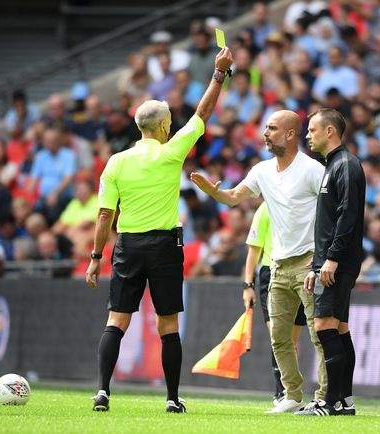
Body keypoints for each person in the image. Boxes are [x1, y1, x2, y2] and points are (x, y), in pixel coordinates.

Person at [85, 47, 234, 413]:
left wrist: (94, 259)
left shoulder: (116, 162)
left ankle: (103, 391)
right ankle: (171, 398)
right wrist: (218, 74)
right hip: (165, 246)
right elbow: (203, 113)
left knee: (116, 319)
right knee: (168, 324)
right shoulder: (171, 153)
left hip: (128, 246)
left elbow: (105, 216)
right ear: (165, 127)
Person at [190, 109, 326, 414]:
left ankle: (324, 396)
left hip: (308, 262)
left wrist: (325, 257)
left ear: (291, 134)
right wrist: (214, 192)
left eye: (273, 128)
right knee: (279, 337)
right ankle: (292, 395)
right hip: (278, 265)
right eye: (265, 127)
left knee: (318, 334)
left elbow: (333, 208)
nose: (265, 133)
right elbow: (234, 197)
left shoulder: (312, 169)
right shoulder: (262, 170)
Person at [297, 108, 365, 416]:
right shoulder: (331, 166)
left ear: (330, 132)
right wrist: (317, 262)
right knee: (338, 329)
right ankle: (344, 401)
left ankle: (329, 401)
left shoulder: (347, 165)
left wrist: (332, 259)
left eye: (312, 130)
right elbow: (327, 223)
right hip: (327, 261)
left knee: (324, 326)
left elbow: (347, 216)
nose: (307, 135)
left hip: (338, 262)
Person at [243, 201, 307, 405]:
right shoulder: (265, 209)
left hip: (299, 271)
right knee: (278, 335)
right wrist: (248, 285)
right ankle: (282, 393)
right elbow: (254, 250)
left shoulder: (302, 204)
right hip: (271, 273)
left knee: (291, 341)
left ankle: (291, 391)